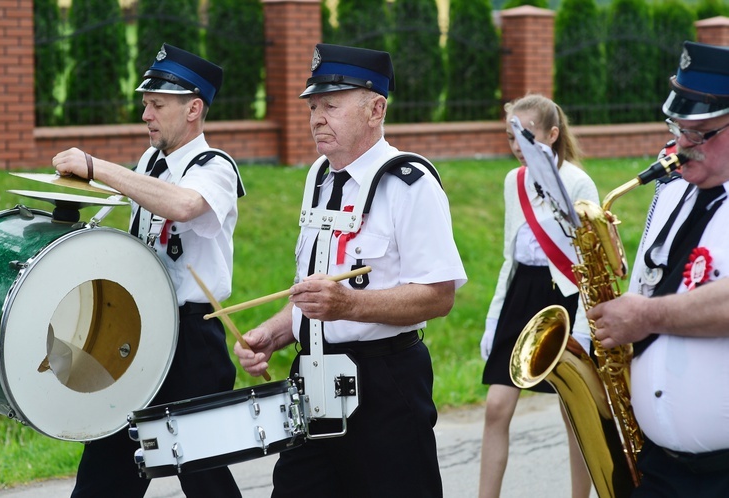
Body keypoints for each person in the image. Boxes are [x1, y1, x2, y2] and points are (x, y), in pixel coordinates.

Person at [232, 43, 467, 497]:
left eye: (332, 106)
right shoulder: (319, 175)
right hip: (312, 381)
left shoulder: (410, 183)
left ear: (375, 109)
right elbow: (316, 292)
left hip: (385, 385)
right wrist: (278, 330)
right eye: (313, 106)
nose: (317, 118)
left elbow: (440, 295)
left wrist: (350, 304)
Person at [52, 43, 243, 498]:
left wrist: (97, 168)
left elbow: (184, 204)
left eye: (157, 105)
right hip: (138, 333)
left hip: (192, 338)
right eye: (145, 104)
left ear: (194, 109)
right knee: (107, 465)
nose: (146, 114)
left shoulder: (214, 167)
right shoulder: (152, 163)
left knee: (202, 473)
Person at [589, 40, 729, 498]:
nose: (681, 145)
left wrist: (646, 317)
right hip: (661, 466)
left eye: (699, 132)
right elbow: (648, 286)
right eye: (677, 127)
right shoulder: (670, 191)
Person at [479, 94, 597, 498]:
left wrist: (583, 332)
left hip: (564, 297)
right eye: (512, 136)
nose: (518, 145)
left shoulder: (578, 182)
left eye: (527, 136)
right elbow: (508, 257)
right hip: (521, 294)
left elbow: (589, 263)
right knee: (496, 407)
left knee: (572, 413)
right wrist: (494, 321)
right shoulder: (513, 181)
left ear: (552, 134)